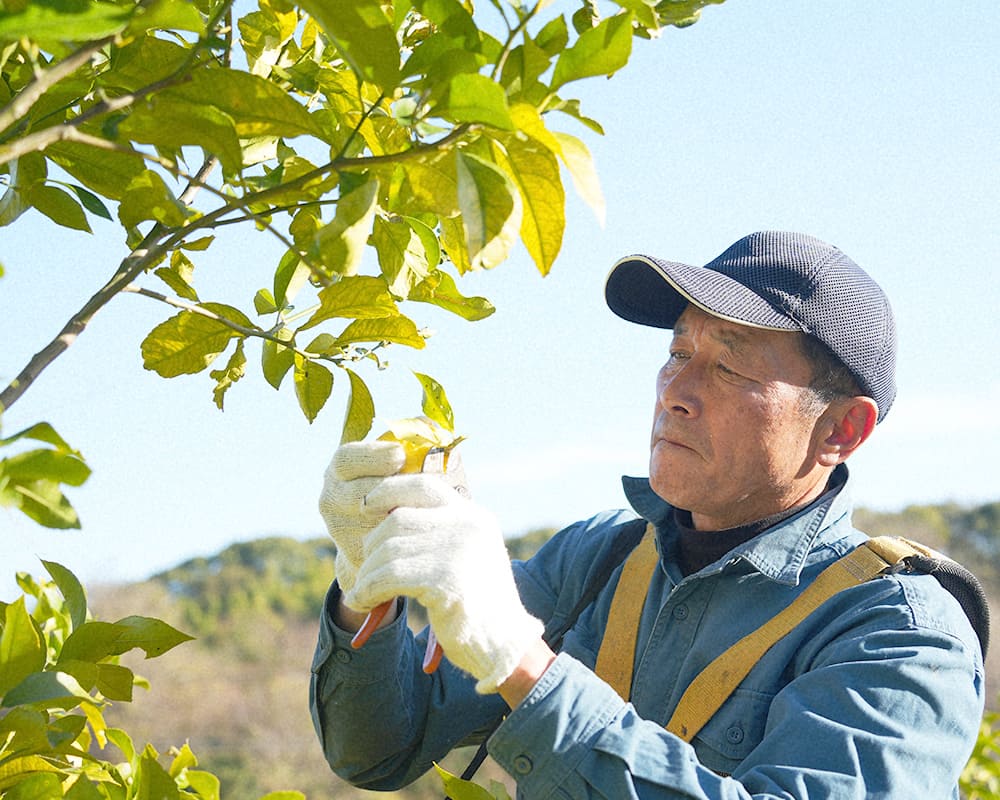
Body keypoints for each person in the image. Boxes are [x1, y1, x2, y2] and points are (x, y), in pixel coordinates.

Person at [309, 231, 985, 798]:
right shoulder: (596, 559)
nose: (677, 393)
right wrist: (368, 586)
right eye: (679, 352)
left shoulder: (904, 635)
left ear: (843, 429)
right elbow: (378, 750)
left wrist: (520, 660)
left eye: (730, 368)